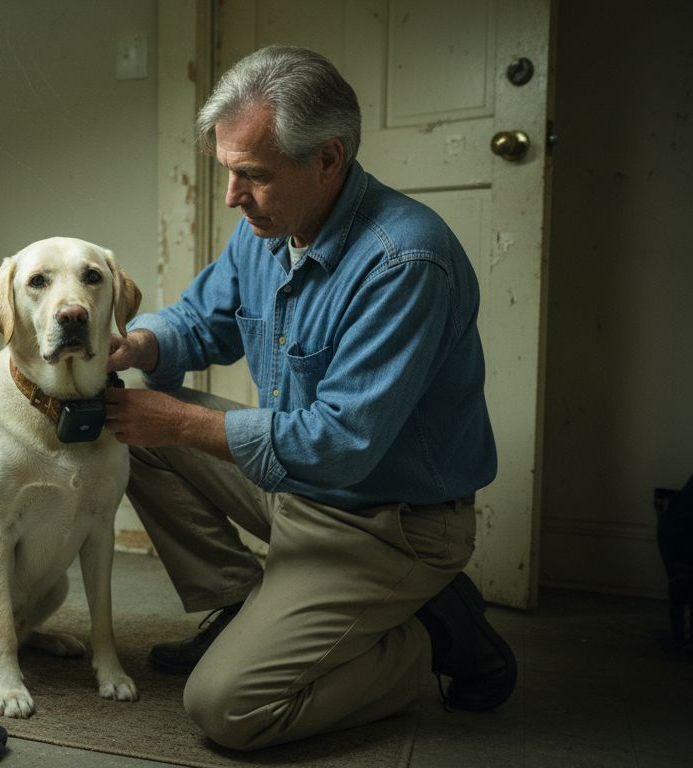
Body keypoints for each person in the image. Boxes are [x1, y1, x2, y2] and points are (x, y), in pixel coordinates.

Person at [103, 45, 516, 752]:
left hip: (385, 520)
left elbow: (339, 443)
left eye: (253, 176)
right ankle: (244, 610)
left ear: (328, 159)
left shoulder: (405, 261)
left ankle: (423, 638)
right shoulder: (266, 228)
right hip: (297, 487)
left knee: (225, 710)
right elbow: (202, 321)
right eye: (228, 171)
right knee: (130, 425)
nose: (233, 196)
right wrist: (142, 343)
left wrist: (174, 422)